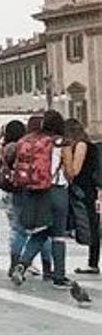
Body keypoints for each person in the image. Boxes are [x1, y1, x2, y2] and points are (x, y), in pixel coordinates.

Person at [9, 109, 70, 288]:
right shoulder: (60, 143)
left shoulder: (31, 141)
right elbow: (71, 170)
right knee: (58, 236)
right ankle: (59, 276)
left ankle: (22, 264)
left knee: (41, 232)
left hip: (36, 191)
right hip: (57, 191)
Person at [63, 118, 100, 276]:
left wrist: (66, 158)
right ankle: (93, 262)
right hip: (87, 189)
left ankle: (93, 263)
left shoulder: (81, 145)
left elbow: (75, 171)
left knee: (91, 224)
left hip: (84, 190)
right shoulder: (86, 145)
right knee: (92, 223)